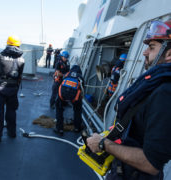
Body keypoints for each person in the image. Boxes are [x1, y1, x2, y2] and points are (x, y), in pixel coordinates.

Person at [87, 20, 171, 179]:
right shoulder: (156, 85)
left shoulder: (166, 93)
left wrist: (102, 144)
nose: (145, 52)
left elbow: (151, 164)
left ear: (169, 53)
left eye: (151, 47)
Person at [0, 35, 25, 142]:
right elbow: (19, 75)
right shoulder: (22, 59)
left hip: (1, 88)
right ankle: (12, 133)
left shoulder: (0, 56)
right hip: (13, 88)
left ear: (8, 44)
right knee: (11, 112)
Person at [54, 65, 84, 135]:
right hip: (75, 97)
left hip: (62, 95)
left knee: (59, 109)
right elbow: (82, 90)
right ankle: (77, 128)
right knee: (77, 110)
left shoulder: (67, 74)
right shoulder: (80, 77)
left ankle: (59, 129)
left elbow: (61, 83)